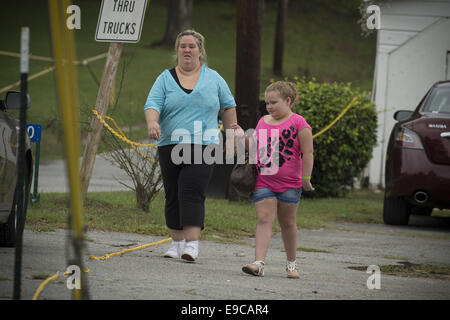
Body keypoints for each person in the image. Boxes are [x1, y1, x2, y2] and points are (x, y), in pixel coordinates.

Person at [144, 29, 239, 262]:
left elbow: (227, 107)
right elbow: (153, 103)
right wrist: (153, 122)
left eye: (191, 46)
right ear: (177, 51)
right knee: (173, 193)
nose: (187, 50)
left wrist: (232, 136)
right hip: (170, 144)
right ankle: (176, 243)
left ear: (200, 50)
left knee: (191, 190)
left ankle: (192, 245)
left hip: (203, 144)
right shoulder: (164, 78)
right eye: (182, 46)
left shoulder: (214, 78)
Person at [242, 81, 314, 278]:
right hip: (264, 181)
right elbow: (255, 147)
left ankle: (291, 265)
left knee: (288, 223)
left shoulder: (299, 123)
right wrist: (241, 139)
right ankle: (258, 264)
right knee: (264, 219)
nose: (269, 107)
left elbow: (307, 153)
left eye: (274, 102)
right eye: (267, 103)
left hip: (290, 184)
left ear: (288, 101)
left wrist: (306, 178)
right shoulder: (263, 121)